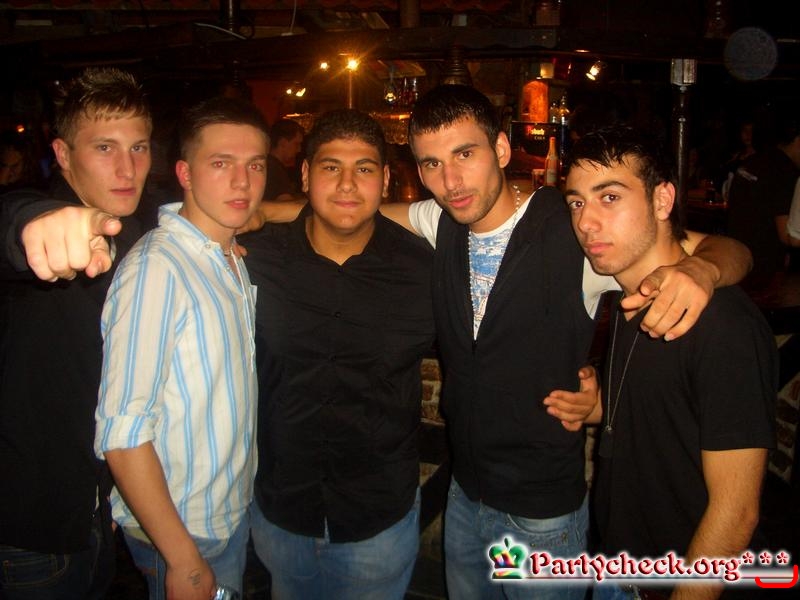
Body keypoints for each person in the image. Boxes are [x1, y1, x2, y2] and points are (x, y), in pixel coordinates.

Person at [377, 84, 752, 600]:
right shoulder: (441, 220)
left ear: (501, 149)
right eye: (432, 164)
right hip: (467, 495)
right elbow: (354, 210)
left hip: (541, 516)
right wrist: (267, 211)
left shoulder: (576, 230)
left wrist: (702, 270)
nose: (451, 180)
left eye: (465, 154)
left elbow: (722, 249)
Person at [550, 124, 776, 600]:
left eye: (610, 198)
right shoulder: (629, 296)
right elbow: (671, 419)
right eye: (577, 203)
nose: (586, 222)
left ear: (662, 200)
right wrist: (602, 407)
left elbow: (736, 514)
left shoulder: (722, 326)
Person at [239, 108, 435, 600]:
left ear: (385, 180)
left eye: (364, 168)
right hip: (281, 508)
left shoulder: (424, 271)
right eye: (331, 167)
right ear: (306, 175)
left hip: (378, 517)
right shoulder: (252, 256)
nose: (347, 184)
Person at [94, 96, 267, 599]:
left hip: (225, 513)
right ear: (185, 173)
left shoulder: (225, 255)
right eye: (221, 164)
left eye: (255, 165)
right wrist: (185, 562)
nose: (243, 182)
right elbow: (123, 433)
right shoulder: (158, 269)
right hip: (184, 532)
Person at [0, 67, 153, 600]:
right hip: (30, 536)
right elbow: (12, 219)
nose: (127, 168)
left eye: (138, 148)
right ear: (63, 155)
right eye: (105, 148)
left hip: (94, 512)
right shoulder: (43, 234)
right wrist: (36, 222)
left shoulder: (132, 230)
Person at [726, 114, 800, 289]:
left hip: (736, 258)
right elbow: (787, 236)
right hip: (763, 269)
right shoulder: (785, 171)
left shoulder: (755, 161)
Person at [264, 117, 305, 202]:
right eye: (296, 144)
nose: (299, 149)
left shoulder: (269, 164)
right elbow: (287, 203)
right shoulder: (275, 168)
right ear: (282, 143)